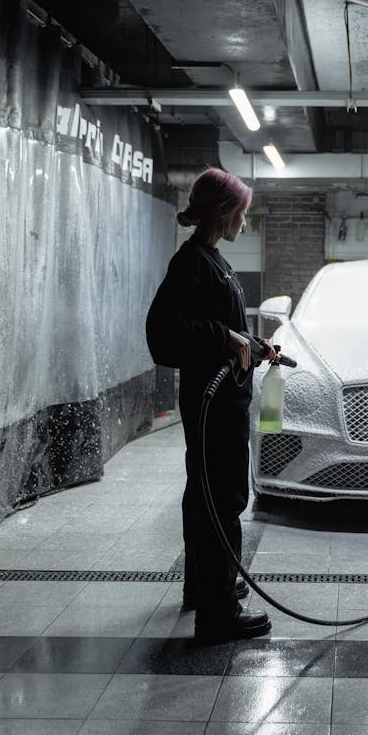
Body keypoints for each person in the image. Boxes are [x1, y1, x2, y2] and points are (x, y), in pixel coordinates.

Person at [146, 168, 276, 643]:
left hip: (223, 404)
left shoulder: (211, 260)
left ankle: (207, 585)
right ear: (225, 212)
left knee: (205, 495)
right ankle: (218, 614)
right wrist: (226, 337)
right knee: (222, 499)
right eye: (243, 211)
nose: (247, 218)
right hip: (212, 408)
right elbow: (164, 334)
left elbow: (222, 329)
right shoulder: (192, 263)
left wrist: (256, 346)